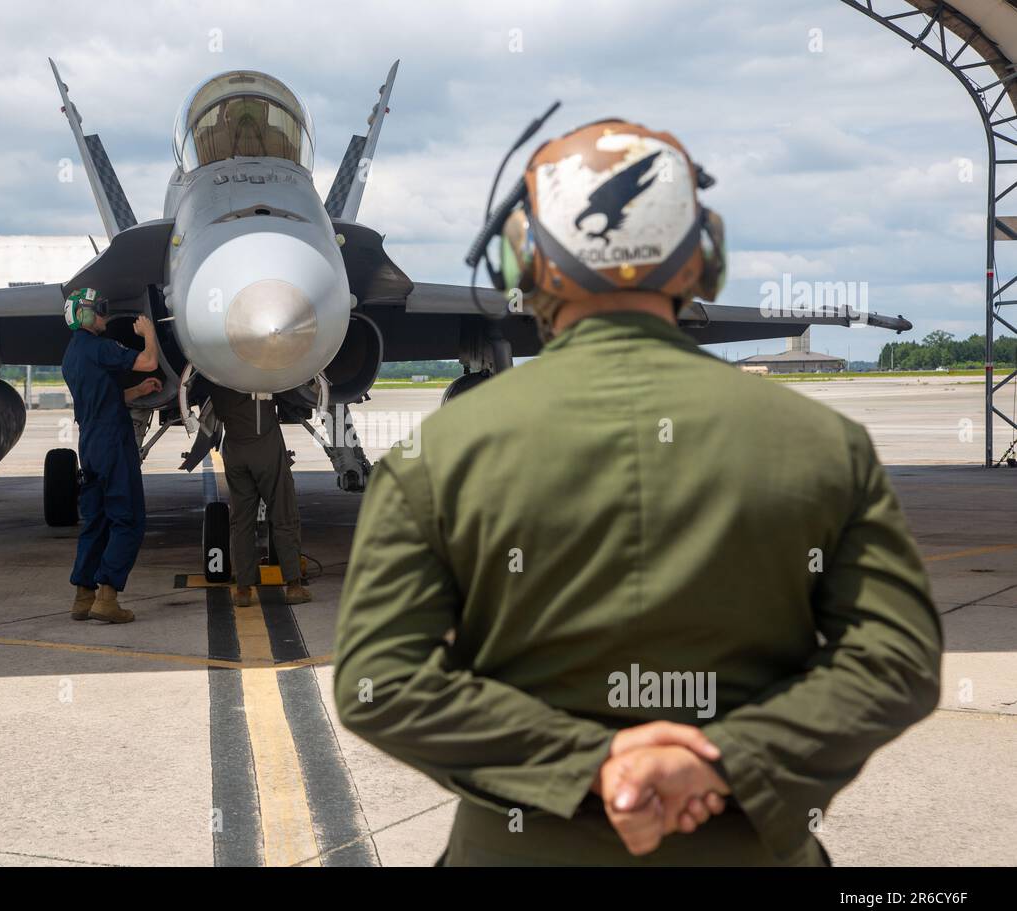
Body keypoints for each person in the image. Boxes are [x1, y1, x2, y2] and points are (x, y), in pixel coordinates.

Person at [333, 119, 942, 865]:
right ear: (705, 256)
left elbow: (379, 682)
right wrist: (720, 760)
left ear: (523, 257)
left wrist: (592, 766)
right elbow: (898, 662)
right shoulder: (823, 446)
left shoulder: (437, 457)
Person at [62, 288, 162, 624]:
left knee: (96, 520)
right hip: (114, 442)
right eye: (100, 310)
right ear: (86, 316)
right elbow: (148, 361)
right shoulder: (102, 348)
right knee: (128, 518)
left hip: (89, 442)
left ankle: (83, 595)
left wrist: (138, 390)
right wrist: (150, 334)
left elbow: (103, 394)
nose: (105, 315)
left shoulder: (72, 354)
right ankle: (108, 597)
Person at [207, 385, 310, 607]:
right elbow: (290, 392)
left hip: (234, 448)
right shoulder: (261, 374)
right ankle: (293, 585)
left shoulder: (216, 377)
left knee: (241, 522)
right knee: (284, 516)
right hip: (265, 448)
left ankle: (243, 590)